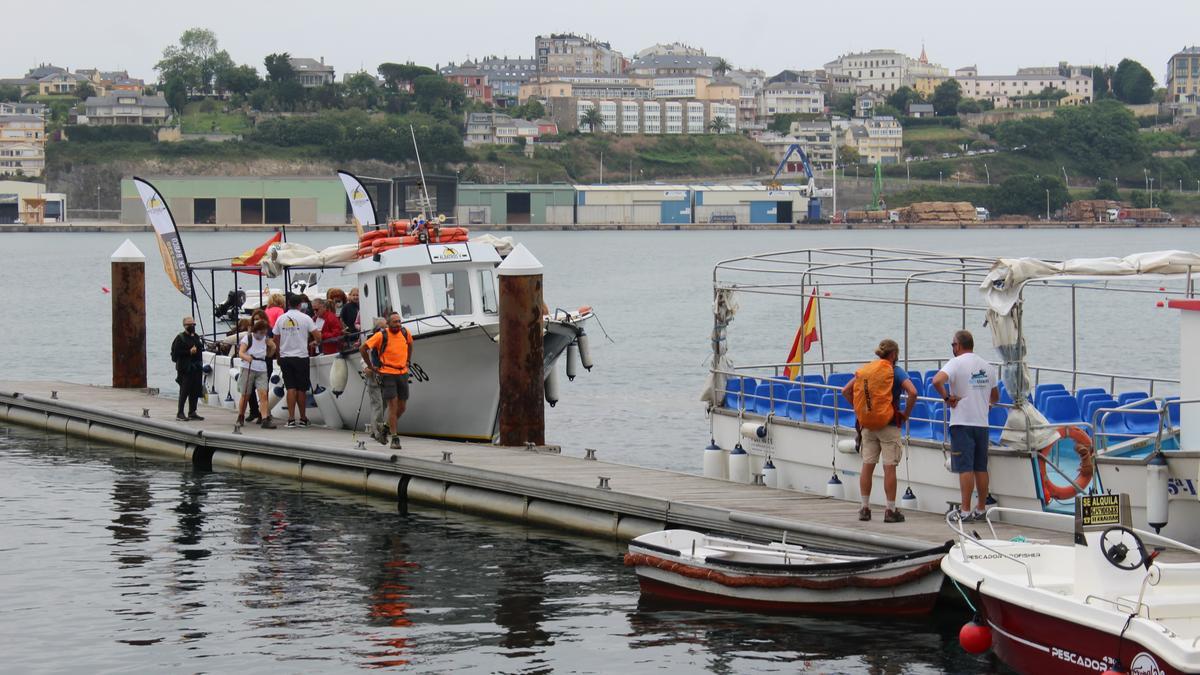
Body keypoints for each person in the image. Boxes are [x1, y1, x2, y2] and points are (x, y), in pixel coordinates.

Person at [841, 338, 918, 523]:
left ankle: (864, 508)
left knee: (867, 465)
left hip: (867, 425)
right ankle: (890, 510)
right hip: (889, 425)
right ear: (894, 355)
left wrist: (860, 411)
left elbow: (846, 390)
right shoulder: (896, 371)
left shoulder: (868, 369)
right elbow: (913, 392)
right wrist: (905, 414)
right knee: (889, 467)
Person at [930, 330, 1000, 522]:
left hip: (962, 422)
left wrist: (947, 398)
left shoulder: (955, 363)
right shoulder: (987, 366)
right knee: (981, 467)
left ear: (958, 346)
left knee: (965, 468)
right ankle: (981, 508)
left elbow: (936, 380)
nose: (952, 348)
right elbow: (995, 396)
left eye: (953, 344)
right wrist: (987, 405)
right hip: (982, 423)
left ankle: (965, 510)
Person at [361, 311, 413, 450]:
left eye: (399, 321)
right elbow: (363, 348)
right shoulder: (381, 335)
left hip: (402, 373)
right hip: (387, 374)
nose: (398, 324)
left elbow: (410, 344)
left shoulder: (405, 332)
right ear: (388, 324)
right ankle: (395, 438)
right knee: (393, 406)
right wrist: (370, 366)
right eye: (395, 322)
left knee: (402, 408)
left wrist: (408, 360)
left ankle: (385, 428)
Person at [273, 295, 320, 428]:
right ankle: (303, 418)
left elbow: (276, 338)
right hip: (301, 357)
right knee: (301, 389)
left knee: (290, 388)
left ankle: (291, 419)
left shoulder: (281, 318)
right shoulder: (306, 318)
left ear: (288, 304)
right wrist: (315, 341)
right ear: (300, 305)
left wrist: (278, 356)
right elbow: (318, 336)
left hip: (285, 357)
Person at [236, 319, 277, 429]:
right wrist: (246, 357)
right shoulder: (248, 338)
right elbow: (240, 352)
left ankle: (264, 418)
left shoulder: (265, 339)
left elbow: (269, 354)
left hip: (262, 367)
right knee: (246, 395)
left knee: (263, 394)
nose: (262, 334)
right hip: (248, 367)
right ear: (256, 330)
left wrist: (272, 348)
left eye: (264, 332)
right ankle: (240, 416)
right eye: (261, 332)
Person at [171, 316, 205, 422]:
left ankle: (192, 411)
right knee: (184, 391)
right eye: (189, 324)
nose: (192, 326)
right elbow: (176, 353)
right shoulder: (180, 338)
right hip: (185, 368)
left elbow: (200, 349)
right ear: (184, 325)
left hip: (196, 368)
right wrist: (189, 352)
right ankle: (180, 412)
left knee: (195, 390)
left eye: (193, 324)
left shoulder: (196, 337)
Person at [361, 318, 388, 444]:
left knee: (384, 403)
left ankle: (374, 429)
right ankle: (378, 432)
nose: (383, 330)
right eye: (381, 328)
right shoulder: (371, 339)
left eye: (385, 328)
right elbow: (363, 354)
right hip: (373, 375)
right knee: (377, 404)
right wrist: (366, 367)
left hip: (385, 374)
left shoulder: (388, 339)